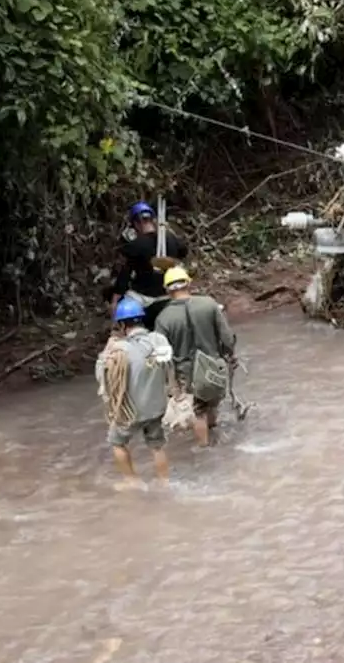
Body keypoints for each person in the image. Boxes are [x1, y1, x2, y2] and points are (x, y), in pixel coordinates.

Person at [95, 298, 174, 491]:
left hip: (131, 411)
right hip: (156, 407)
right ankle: (164, 483)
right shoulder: (158, 340)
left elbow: (101, 377)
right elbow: (169, 363)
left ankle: (132, 481)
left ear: (122, 324)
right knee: (157, 445)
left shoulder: (118, 351)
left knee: (117, 442)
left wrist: (106, 351)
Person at [154, 266, 237, 448]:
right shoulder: (209, 304)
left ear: (167, 290)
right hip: (214, 366)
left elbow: (162, 357)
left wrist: (171, 385)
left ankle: (204, 452)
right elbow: (227, 338)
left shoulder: (163, 318)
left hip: (188, 373)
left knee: (199, 412)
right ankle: (215, 436)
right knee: (212, 403)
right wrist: (231, 356)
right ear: (189, 283)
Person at [109, 201, 189, 330]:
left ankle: (121, 334)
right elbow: (183, 252)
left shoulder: (134, 246)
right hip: (169, 292)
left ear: (136, 224)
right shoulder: (172, 239)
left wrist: (115, 301)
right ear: (153, 220)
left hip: (145, 297)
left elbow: (124, 275)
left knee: (123, 306)